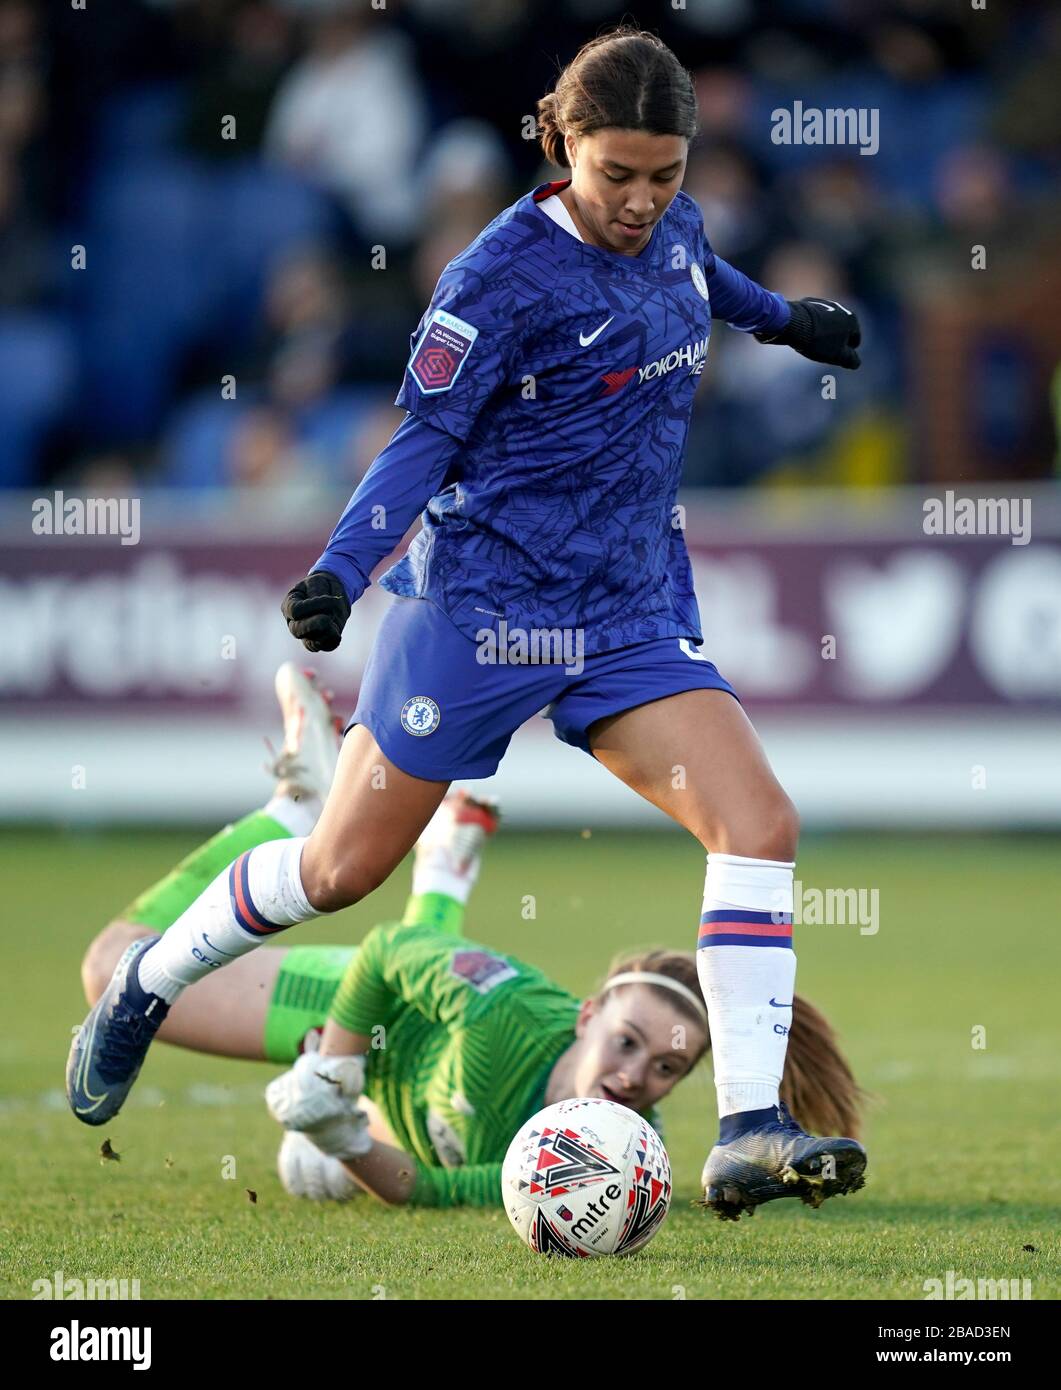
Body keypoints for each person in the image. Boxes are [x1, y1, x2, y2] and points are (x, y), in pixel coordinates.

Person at [70, 26, 867, 1222]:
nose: (643, 202)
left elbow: (702, 280)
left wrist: (784, 319)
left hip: (626, 605)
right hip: (481, 610)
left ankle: (747, 1125)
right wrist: (342, 567)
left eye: (665, 175)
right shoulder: (494, 278)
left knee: (756, 820)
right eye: (617, 177)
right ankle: (144, 984)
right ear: (561, 145)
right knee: (340, 872)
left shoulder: (680, 231)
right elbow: (426, 441)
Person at [77, 666, 866, 1209]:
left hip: (406, 1104)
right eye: (627, 1043)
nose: (634, 1078)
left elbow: (429, 1192)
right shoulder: (509, 1015)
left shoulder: (628, 1148)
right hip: (363, 1016)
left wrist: (344, 1136)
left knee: (311, 1170)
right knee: (113, 965)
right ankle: (295, 813)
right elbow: (389, 956)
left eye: (666, 1067)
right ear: (586, 1016)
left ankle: (444, 868)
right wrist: (339, 1067)